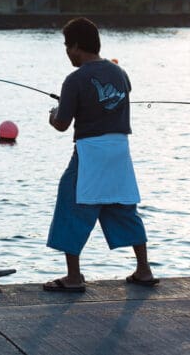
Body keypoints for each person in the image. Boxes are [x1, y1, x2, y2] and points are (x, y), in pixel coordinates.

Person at [44, 17, 158, 292]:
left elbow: (62, 124)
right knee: (122, 206)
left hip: (90, 152)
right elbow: (115, 96)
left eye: (67, 46)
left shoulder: (74, 79)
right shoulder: (120, 74)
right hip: (120, 149)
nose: (67, 53)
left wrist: (53, 114)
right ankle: (144, 269)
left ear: (77, 47)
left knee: (71, 204)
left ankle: (73, 277)